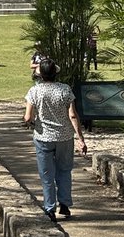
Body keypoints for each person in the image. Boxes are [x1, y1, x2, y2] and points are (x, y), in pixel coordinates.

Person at [23, 58, 87, 220]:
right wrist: (80, 138)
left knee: (46, 173)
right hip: (64, 136)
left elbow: (28, 116)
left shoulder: (34, 91)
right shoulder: (65, 90)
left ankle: (49, 207)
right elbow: (72, 115)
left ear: (40, 75)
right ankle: (64, 204)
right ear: (55, 73)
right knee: (64, 170)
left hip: (43, 136)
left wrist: (32, 123)